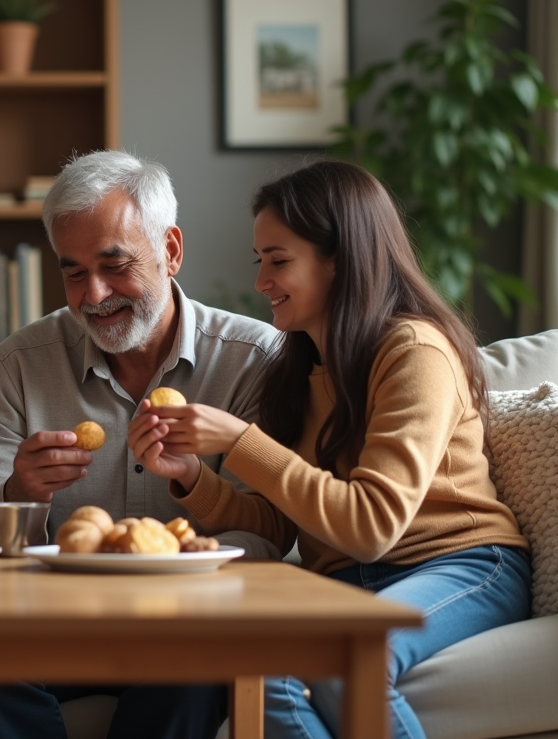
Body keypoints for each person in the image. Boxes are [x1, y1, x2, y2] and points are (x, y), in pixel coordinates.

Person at [129, 160, 530, 739]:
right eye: (259, 261)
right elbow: (281, 524)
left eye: (279, 260)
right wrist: (194, 476)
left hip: (460, 563)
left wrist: (241, 442)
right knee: (259, 666)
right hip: (351, 579)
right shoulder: (296, 371)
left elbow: (372, 525)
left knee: (342, 654)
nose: (261, 281)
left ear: (338, 257)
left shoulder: (414, 351)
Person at [0, 149, 281, 739]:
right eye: (73, 271)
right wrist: (20, 493)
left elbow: (268, 529)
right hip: (53, 622)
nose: (93, 294)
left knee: (207, 663)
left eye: (114, 263)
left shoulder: (253, 361)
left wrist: (183, 557)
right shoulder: (20, 363)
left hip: (188, 622)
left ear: (171, 251)